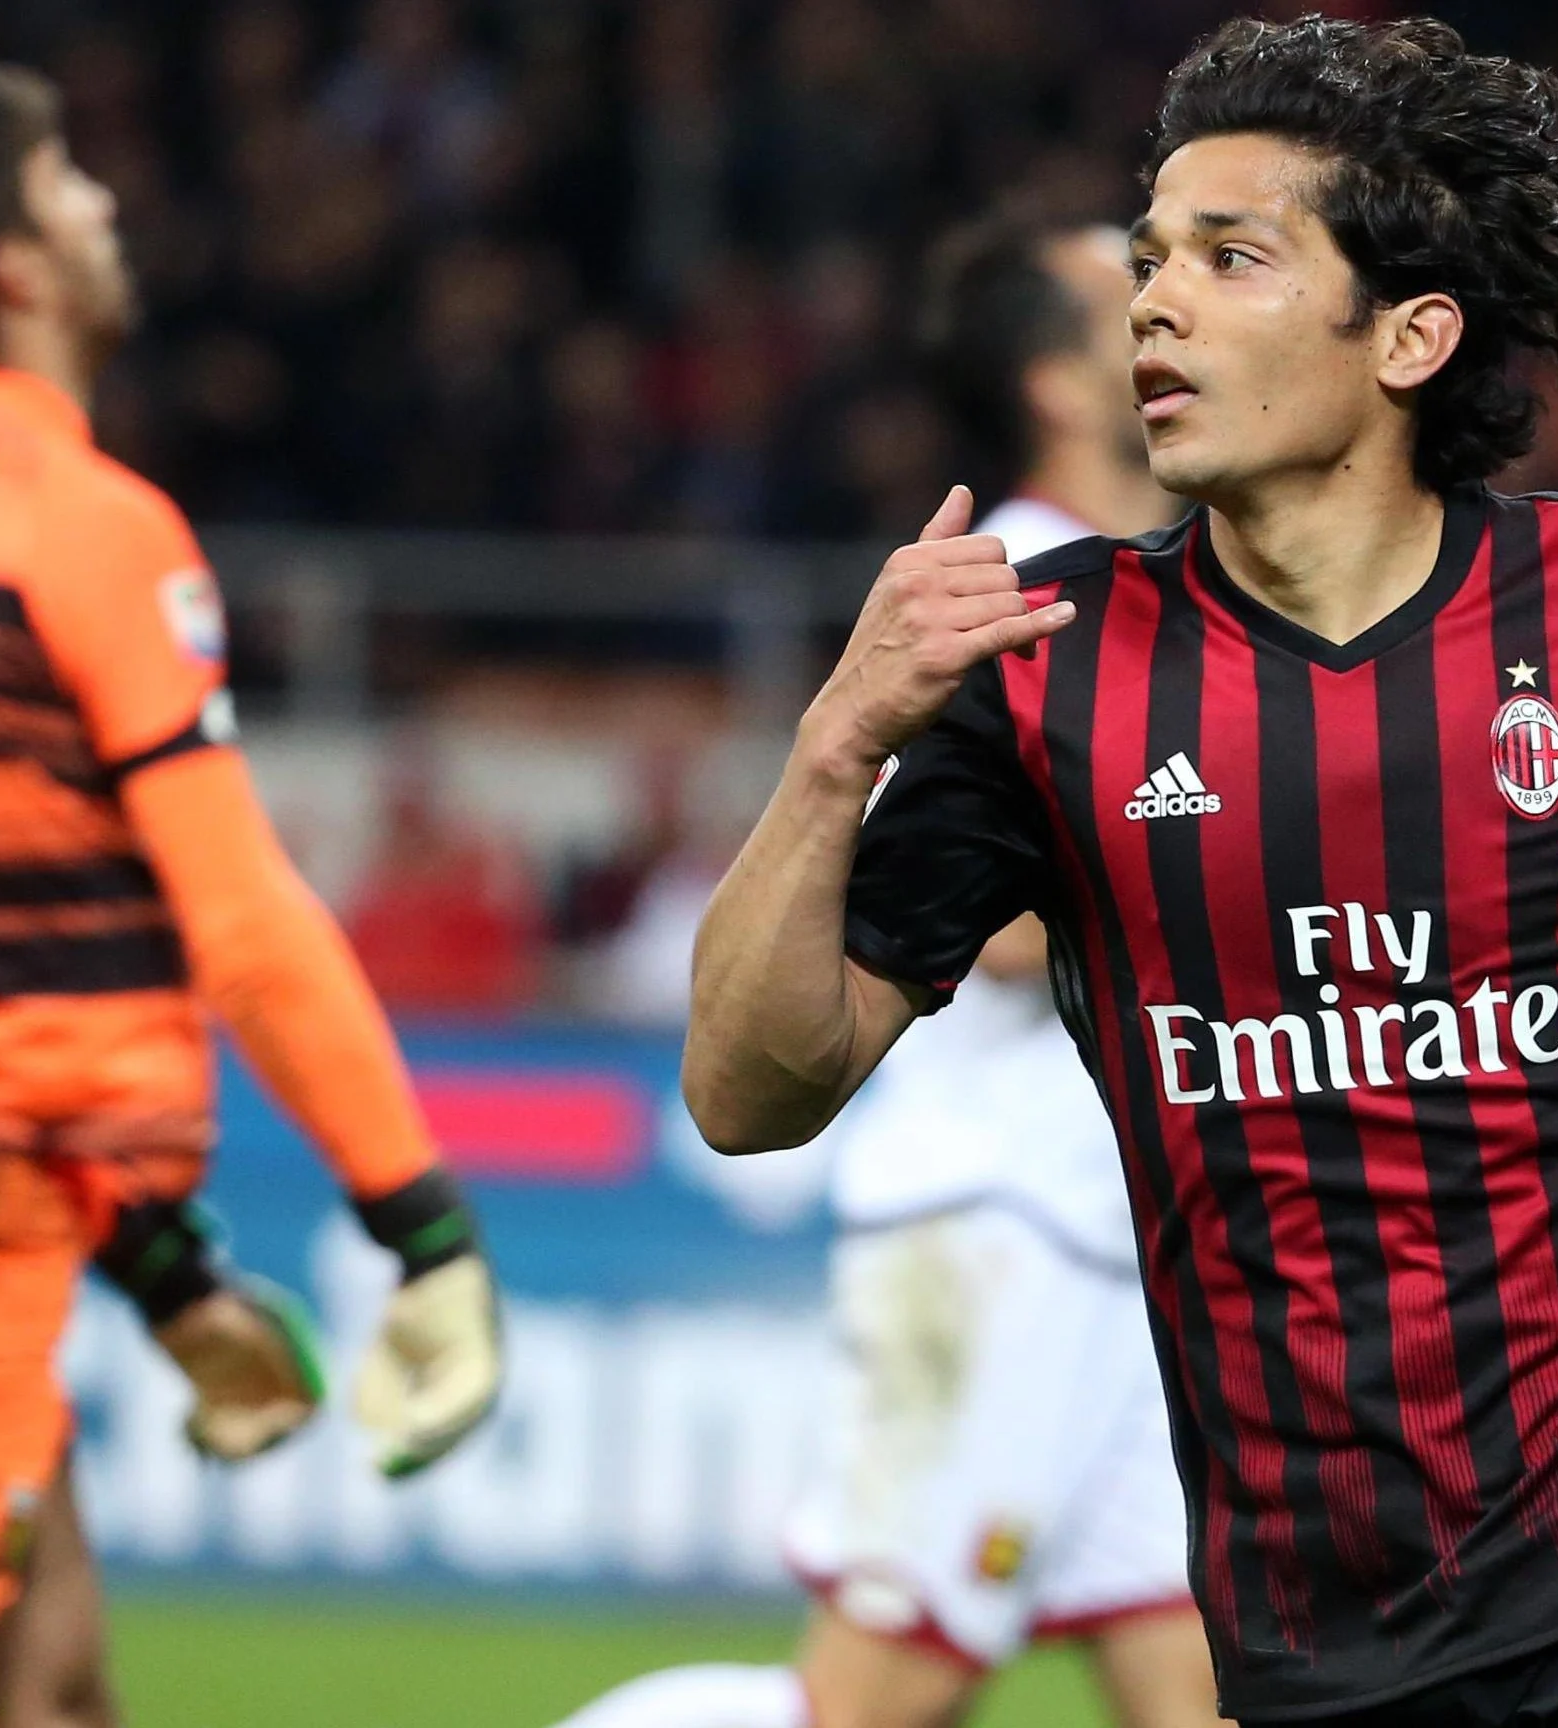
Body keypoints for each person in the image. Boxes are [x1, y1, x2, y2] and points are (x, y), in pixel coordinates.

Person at [684, 17, 1558, 1728]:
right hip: (1315, 1613)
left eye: (1231, 255)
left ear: (1410, 335)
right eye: (1146, 260)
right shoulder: (1053, 673)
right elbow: (752, 1090)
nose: (1155, 303)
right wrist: (836, 746)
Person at [0, 64, 502, 1728]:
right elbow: (245, 921)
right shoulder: (79, 523)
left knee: (52, 1693)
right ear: (9, 263)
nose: (105, 207)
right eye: (65, 180)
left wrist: (166, 1279)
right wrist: (420, 1228)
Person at [556, 220, 1204, 1728]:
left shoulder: (1162, 573)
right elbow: (967, 907)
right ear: (1057, 378)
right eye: (1137, 284)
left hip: (1130, 1240)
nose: (1175, 298)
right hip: (1000, 1220)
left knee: (1211, 1691)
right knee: (867, 1706)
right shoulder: (1016, 582)